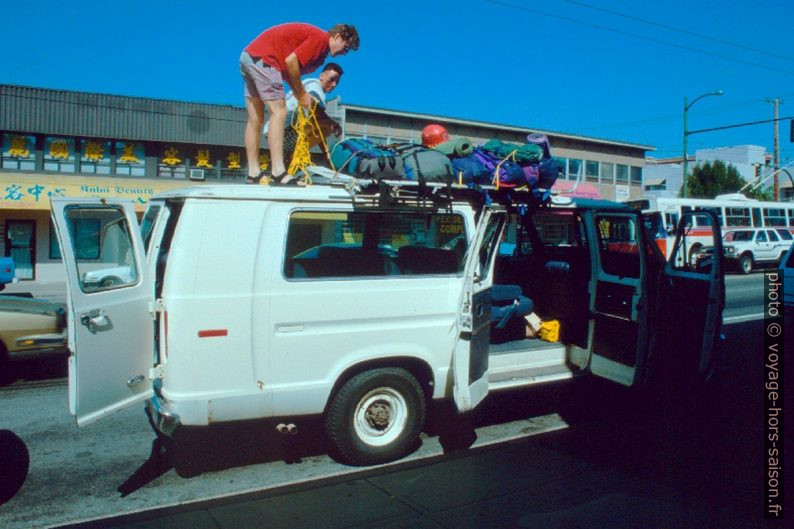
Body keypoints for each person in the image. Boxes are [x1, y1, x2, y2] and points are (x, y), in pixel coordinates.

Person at [240, 23, 359, 185]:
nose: (343, 53)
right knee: (279, 112)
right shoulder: (320, 40)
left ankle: (253, 173)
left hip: (249, 57)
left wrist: (299, 93)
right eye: (345, 48)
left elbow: (291, 70)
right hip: (266, 60)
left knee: (256, 119)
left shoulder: (319, 50)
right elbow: (291, 62)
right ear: (338, 36)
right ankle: (278, 172)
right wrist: (302, 94)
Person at [263, 62, 344, 137]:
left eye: (337, 82)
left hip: (272, 127)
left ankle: (304, 151)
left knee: (325, 123)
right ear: (321, 76)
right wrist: (333, 123)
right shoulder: (316, 86)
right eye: (332, 79)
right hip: (283, 130)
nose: (334, 84)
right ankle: (297, 152)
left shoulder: (308, 82)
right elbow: (317, 111)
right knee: (329, 127)